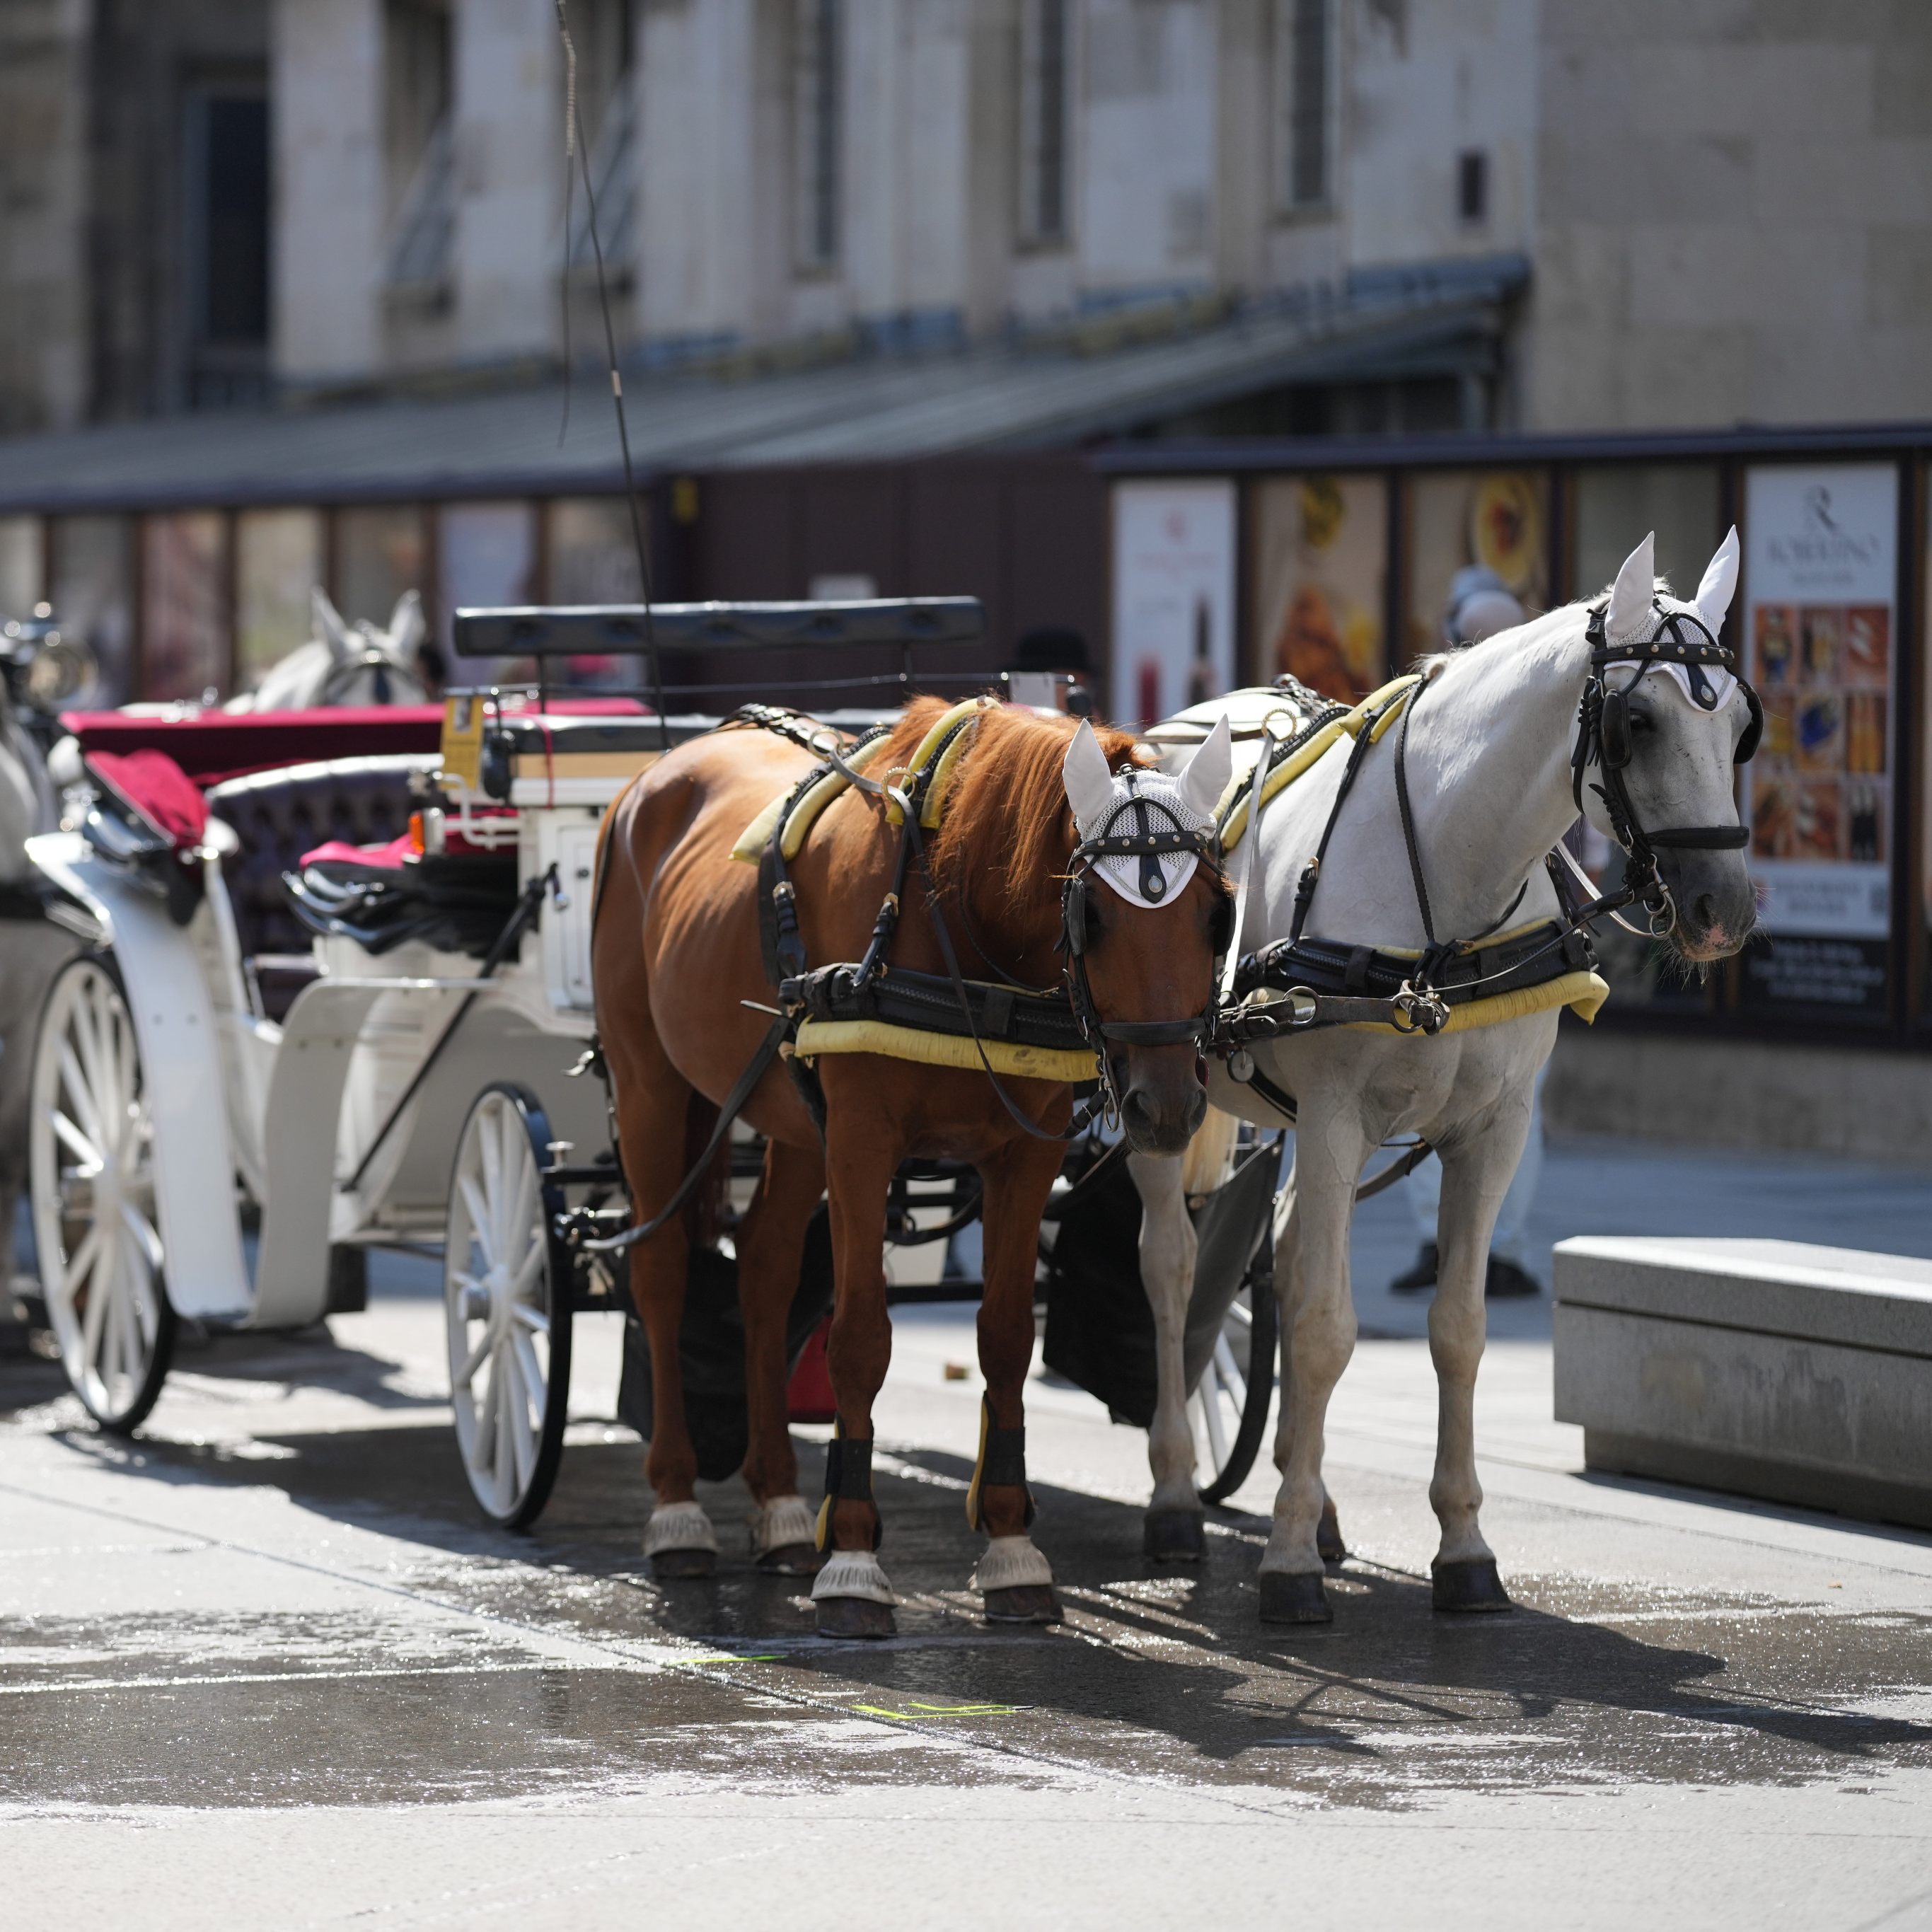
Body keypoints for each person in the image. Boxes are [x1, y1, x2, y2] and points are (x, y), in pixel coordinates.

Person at [1390, 565, 1543, 1300]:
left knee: (1511, 1090)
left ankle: (1493, 1245)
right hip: (1445, 933)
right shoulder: (1434, 714)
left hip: (1508, 932)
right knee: (1431, 1082)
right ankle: (1448, 1242)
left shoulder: (1532, 722)